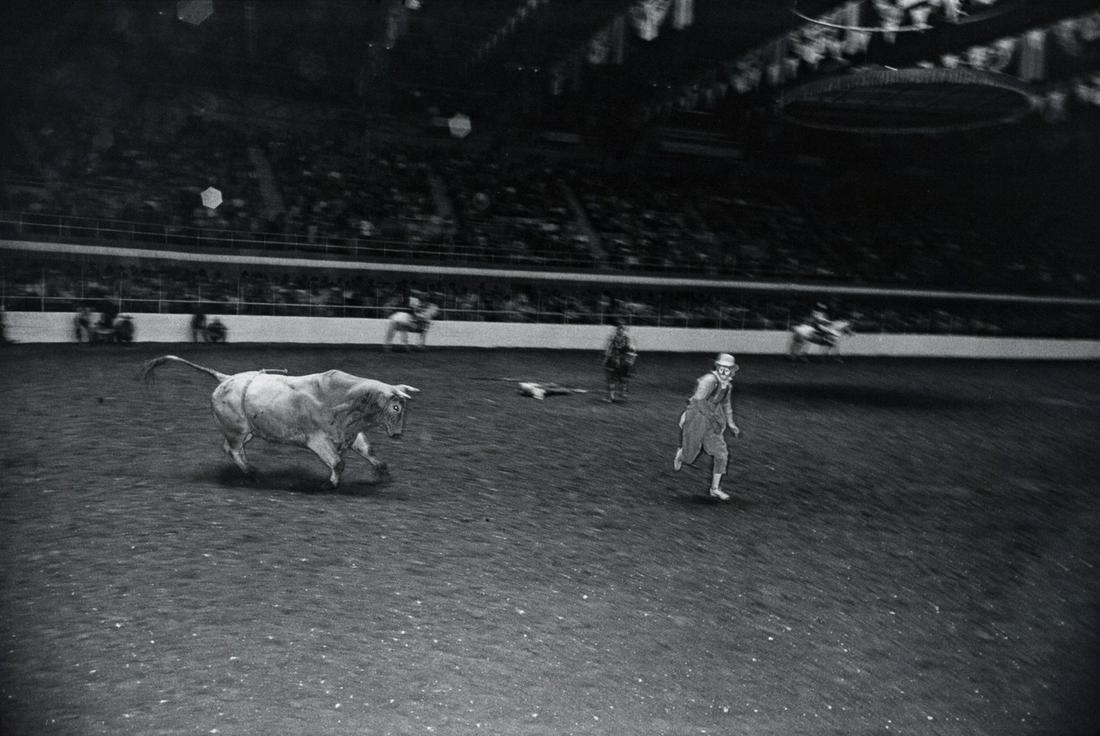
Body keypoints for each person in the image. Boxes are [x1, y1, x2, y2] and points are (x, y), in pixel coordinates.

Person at [673, 352, 742, 501]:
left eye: (729, 368)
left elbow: (726, 403)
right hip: (697, 417)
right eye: (723, 367)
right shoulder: (709, 380)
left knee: (721, 453)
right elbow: (697, 401)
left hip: (713, 418)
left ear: (732, 370)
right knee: (690, 457)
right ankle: (681, 454)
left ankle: (715, 488)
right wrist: (689, 415)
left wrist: (730, 422)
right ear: (718, 367)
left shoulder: (727, 385)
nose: (726, 371)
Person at [602, 320, 638, 403]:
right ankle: (622, 392)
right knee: (621, 378)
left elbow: (609, 349)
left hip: (616, 360)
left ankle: (612, 397)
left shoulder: (614, 338)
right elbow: (631, 351)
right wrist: (630, 360)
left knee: (611, 378)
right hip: (621, 361)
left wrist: (606, 359)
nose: (621, 331)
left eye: (621, 329)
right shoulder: (626, 338)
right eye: (620, 329)